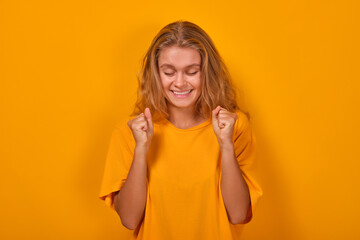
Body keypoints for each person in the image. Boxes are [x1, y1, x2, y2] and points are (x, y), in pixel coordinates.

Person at [98, 20, 263, 240]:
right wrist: (140, 150)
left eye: (191, 71)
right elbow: (129, 219)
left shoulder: (233, 126)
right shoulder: (130, 132)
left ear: (207, 73)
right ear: (156, 74)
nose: (180, 82)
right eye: (169, 72)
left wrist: (226, 145)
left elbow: (238, 213)